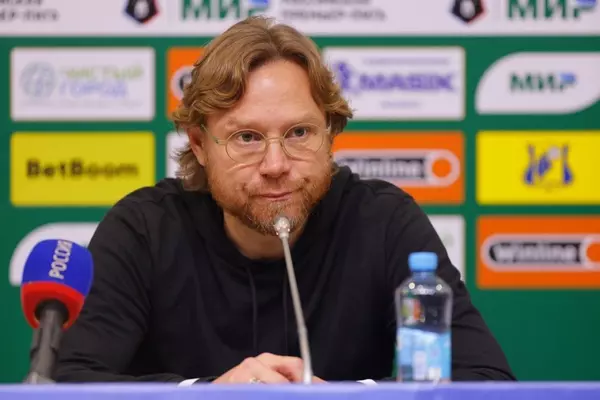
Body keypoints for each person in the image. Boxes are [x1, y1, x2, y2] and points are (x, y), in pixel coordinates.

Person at [54, 16, 515, 385]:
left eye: (298, 133)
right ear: (199, 144)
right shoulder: (144, 229)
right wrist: (207, 393)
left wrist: (345, 396)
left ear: (329, 135)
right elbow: (65, 382)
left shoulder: (382, 222)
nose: (275, 164)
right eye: (247, 137)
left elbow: (486, 380)